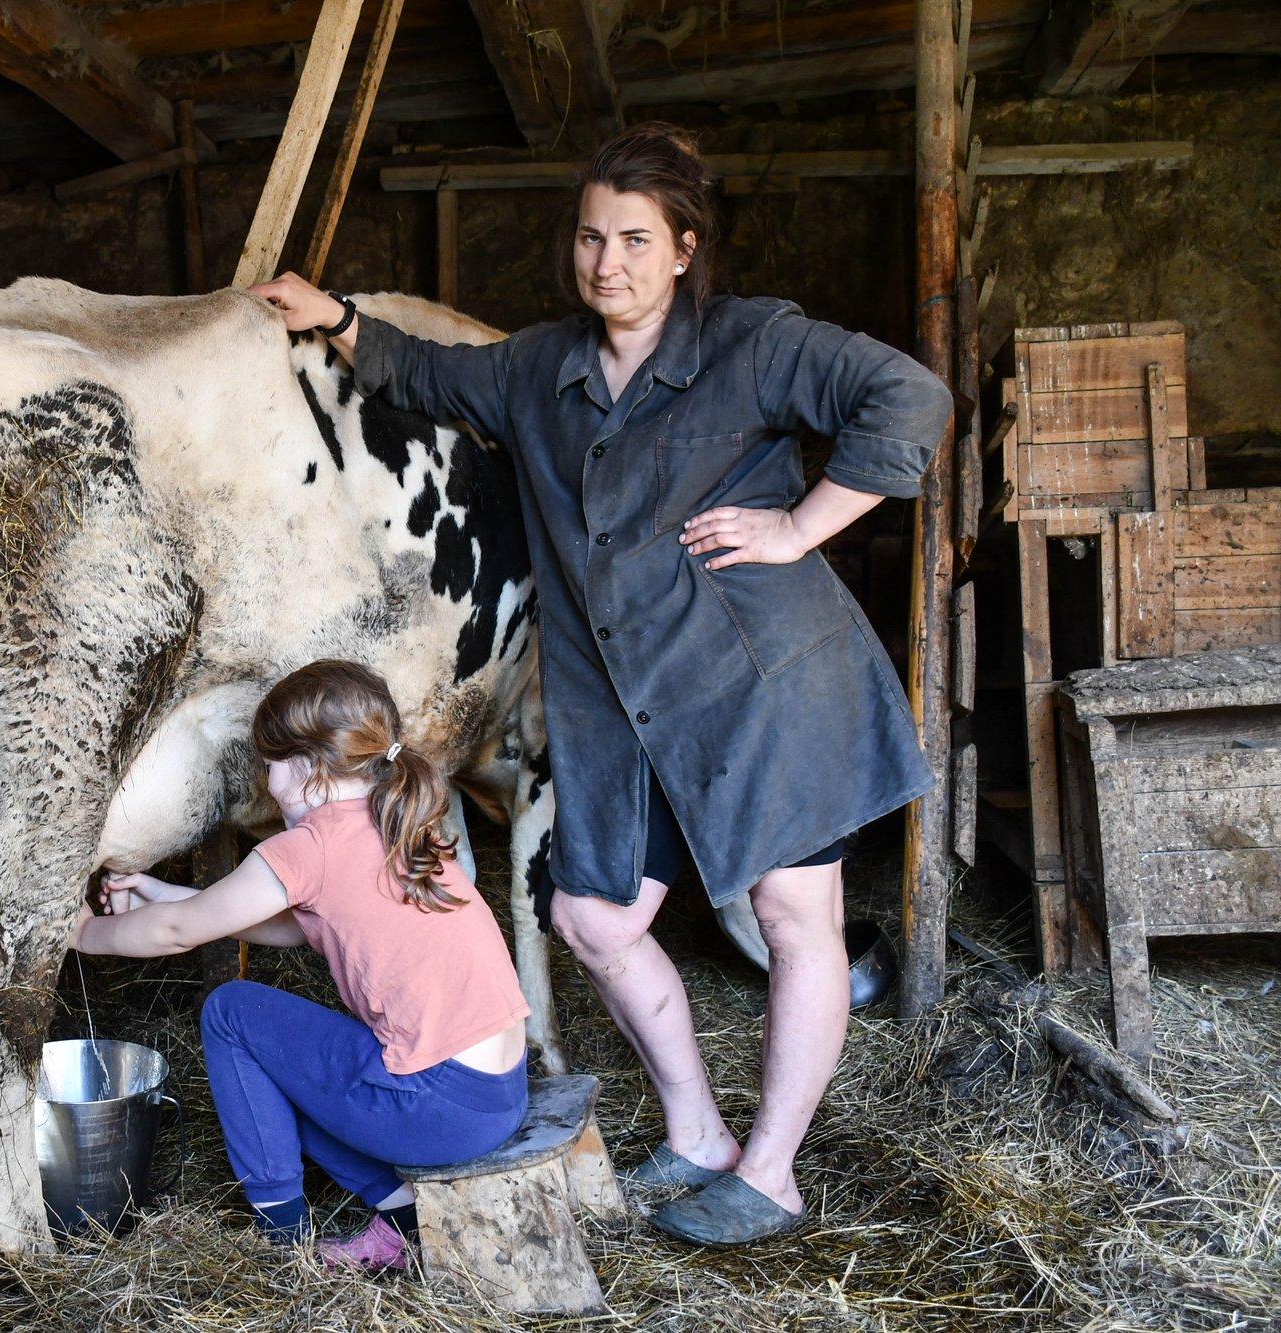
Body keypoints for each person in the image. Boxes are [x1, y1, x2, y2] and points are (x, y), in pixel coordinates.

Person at [248, 123, 953, 1246]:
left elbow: (907, 399)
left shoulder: (753, 345)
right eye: (588, 237)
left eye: (632, 239)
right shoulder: (541, 368)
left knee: (790, 912)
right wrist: (333, 318)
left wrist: (797, 524)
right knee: (591, 914)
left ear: (682, 248)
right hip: (622, 709)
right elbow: (430, 371)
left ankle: (768, 1172)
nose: (605, 262)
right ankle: (697, 1134)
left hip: (762, 684)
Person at [73, 659, 530, 1270]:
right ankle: (399, 1213)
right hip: (498, 1097)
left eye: (271, 763)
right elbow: (281, 923)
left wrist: (83, 934)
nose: (266, 780)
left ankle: (281, 1240)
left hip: (435, 1110)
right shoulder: (394, 824)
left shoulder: (309, 846)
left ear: (308, 766)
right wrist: (160, 892)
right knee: (283, 1058)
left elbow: (183, 933)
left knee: (232, 1014)